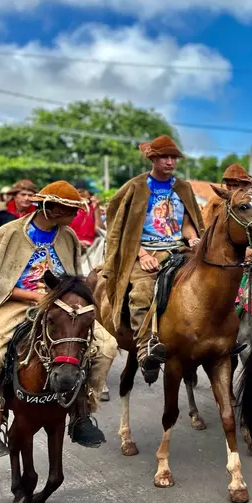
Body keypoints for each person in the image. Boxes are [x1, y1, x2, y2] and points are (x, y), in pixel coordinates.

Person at [0, 181, 119, 455]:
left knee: (107, 346)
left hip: (64, 307)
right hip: (19, 302)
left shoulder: (69, 236)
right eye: (70, 210)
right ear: (51, 209)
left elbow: (74, 277)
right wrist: (35, 298)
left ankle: (82, 413)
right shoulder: (9, 233)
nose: (76, 216)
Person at [101, 135, 204, 383]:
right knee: (142, 292)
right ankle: (145, 349)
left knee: (212, 277)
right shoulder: (136, 187)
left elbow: (187, 223)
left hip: (178, 248)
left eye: (173, 157)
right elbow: (123, 226)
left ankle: (219, 337)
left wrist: (192, 239)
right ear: (153, 158)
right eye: (164, 157)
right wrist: (142, 254)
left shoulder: (183, 188)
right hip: (144, 250)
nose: (170, 162)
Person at [68, 180, 104, 250]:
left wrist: (96, 208)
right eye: (91, 192)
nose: (93, 195)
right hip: (71, 247)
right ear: (80, 192)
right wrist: (77, 242)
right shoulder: (70, 209)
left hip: (90, 249)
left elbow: (99, 231)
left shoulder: (93, 209)